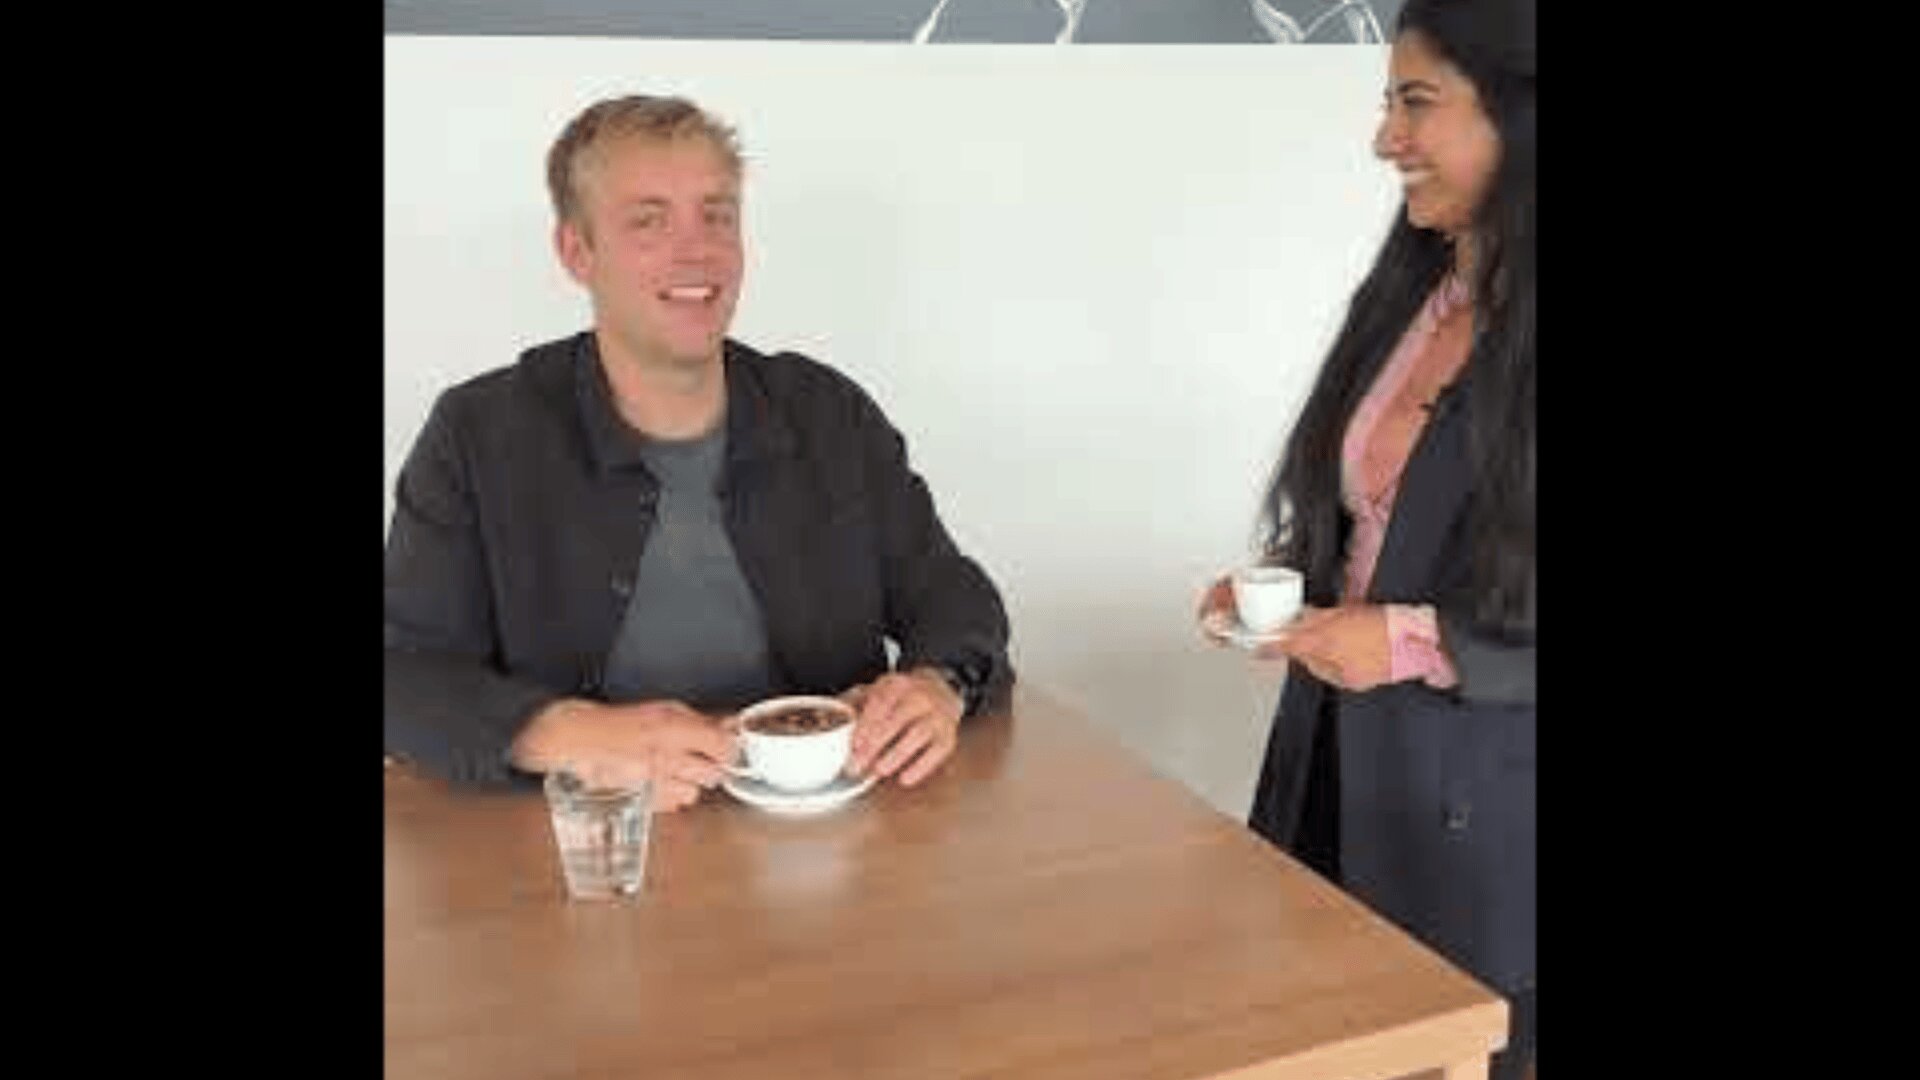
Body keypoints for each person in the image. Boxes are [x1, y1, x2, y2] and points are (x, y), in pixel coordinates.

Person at [385, 94, 1013, 811]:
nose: (698, 250)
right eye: (649, 221)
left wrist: (938, 685)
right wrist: (571, 736)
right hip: (593, 840)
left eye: (717, 215)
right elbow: (402, 675)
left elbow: (957, 600)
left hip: (829, 834)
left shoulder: (828, 414)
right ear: (577, 252)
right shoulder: (477, 435)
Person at [1197, 1, 1535, 1076]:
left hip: (1489, 830)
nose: (1385, 138)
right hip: (1341, 774)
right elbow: (1377, 519)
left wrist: (1408, 641)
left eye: (1415, 103)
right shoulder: (1421, 296)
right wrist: (1287, 592)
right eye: (1388, 101)